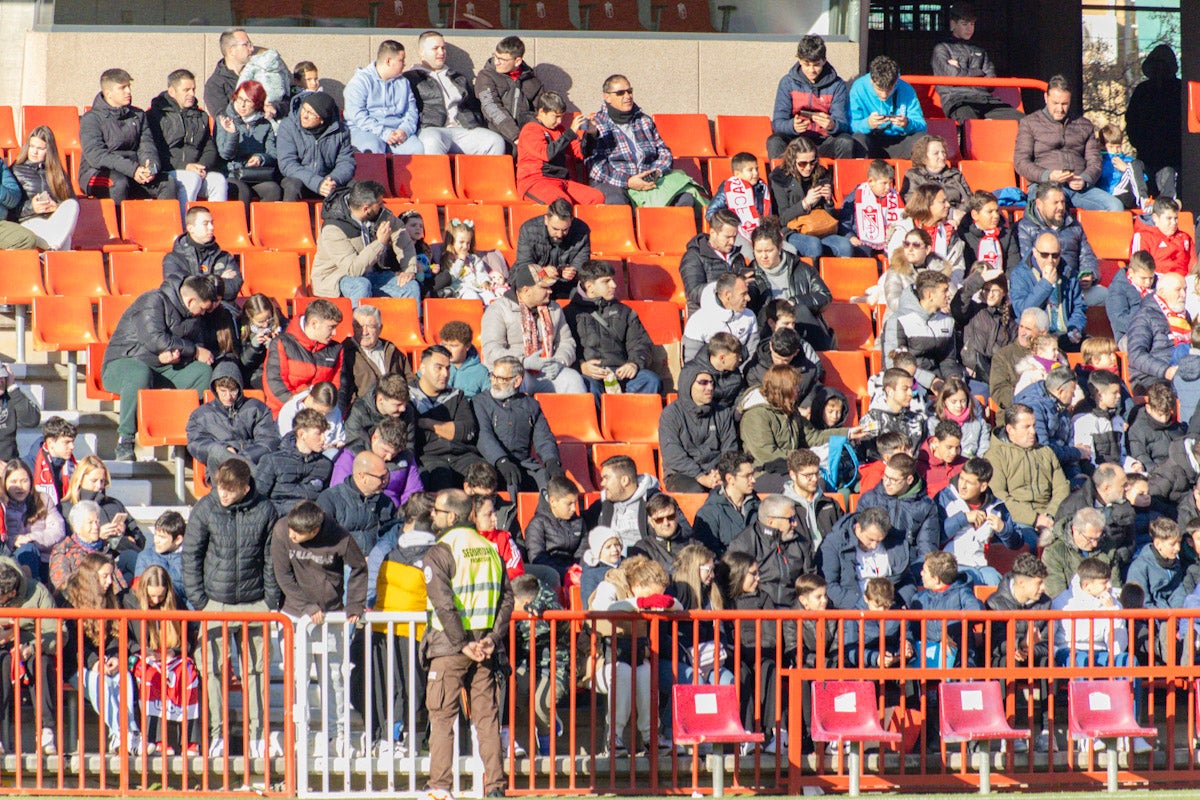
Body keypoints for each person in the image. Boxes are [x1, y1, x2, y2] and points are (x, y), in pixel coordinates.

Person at [183, 458, 279, 758]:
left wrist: (270, 600)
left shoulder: (265, 509)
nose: (222, 495)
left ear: (246, 488)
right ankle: (216, 736)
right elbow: (191, 555)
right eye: (220, 488)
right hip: (215, 601)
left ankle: (258, 737)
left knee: (257, 672)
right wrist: (200, 600)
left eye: (229, 491)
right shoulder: (205, 507)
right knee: (212, 670)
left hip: (256, 603)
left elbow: (271, 558)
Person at [422, 489, 513, 798]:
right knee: (487, 720)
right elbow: (507, 599)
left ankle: (440, 788)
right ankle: (495, 788)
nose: (431, 515)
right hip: (485, 647)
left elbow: (444, 605)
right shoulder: (490, 549)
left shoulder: (441, 550)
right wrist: (491, 638)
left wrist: (462, 644)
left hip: (450, 648)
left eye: (435, 510)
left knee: (442, 718)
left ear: (452, 516)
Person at [271, 501, 366, 757]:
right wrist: (306, 606)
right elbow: (283, 575)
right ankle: (301, 735)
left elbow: (359, 567)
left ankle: (338, 736)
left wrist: (355, 605)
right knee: (296, 676)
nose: (292, 536)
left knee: (334, 677)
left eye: (298, 534)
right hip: (294, 614)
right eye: (291, 530)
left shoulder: (340, 537)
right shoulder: (282, 530)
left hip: (331, 614)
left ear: (314, 531)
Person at [101, 276, 227, 461]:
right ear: (191, 301)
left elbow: (187, 346)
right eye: (202, 308)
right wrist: (192, 352)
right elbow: (155, 339)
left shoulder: (193, 317)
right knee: (139, 374)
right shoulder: (153, 301)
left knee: (203, 373)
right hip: (124, 362)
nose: (203, 313)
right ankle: (125, 439)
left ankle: (191, 433)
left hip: (163, 369)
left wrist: (180, 356)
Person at [584, 73, 704, 208]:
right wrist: (628, 181)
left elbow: (664, 152)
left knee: (685, 199)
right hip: (616, 181)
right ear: (607, 97)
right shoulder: (597, 125)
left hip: (648, 178)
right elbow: (595, 168)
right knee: (616, 202)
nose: (627, 96)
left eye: (629, 91)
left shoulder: (644, 121)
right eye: (620, 93)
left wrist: (656, 172)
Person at [62, 552, 142, 752]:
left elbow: (115, 633)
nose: (109, 581)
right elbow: (71, 643)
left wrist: (115, 656)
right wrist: (94, 662)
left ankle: (128, 734)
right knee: (102, 683)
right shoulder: (69, 600)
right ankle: (123, 734)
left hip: (106, 660)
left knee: (124, 678)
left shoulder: (110, 598)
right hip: (77, 664)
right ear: (91, 577)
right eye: (104, 576)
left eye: (110, 575)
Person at [1014, 75, 1122, 212]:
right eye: (1055, 103)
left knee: (1115, 206)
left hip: (1079, 188)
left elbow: (1095, 161)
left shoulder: (1084, 125)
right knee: (1054, 207)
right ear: (1046, 98)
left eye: (1064, 104)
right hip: (1044, 186)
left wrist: (1084, 179)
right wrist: (1048, 176)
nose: (1060, 109)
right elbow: (1021, 162)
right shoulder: (1029, 123)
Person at [79, 68, 177, 207]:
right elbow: (96, 156)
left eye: (129, 87)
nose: (128, 92)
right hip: (98, 173)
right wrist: (132, 169)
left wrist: (150, 168)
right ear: (109, 93)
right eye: (122, 88)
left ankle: (165, 227)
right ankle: (117, 227)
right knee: (119, 183)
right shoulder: (91, 119)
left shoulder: (138, 115)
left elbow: (147, 145)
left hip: (134, 172)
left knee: (167, 182)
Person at [481, 263, 585, 394]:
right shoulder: (498, 310)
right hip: (515, 371)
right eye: (544, 288)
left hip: (548, 370)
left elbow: (566, 342)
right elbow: (492, 351)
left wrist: (559, 361)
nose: (550, 291)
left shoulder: (554, 308)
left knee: (573, 379)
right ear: (526, 290)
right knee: (515, 383)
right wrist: (523, 362)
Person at [310, 180, 420, 303]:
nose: (383, 207)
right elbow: (353, 270)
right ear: (366, 208)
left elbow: (403, 238)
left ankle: (412, 322)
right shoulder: (333, 229)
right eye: (379, 204)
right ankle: (359, 321)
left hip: (371, 274)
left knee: (410, 286)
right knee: (361, 285)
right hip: (335, 278)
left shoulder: (380, 214)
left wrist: (409, 270)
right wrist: (379, 243)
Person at [563, 260, 659, 397]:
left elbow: (641, 344)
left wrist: (633, 364)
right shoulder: (569, 314)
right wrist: (581, 367)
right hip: (591, 375)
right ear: (590, 286)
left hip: (621, 373)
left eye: (612, 280)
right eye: (606, 281)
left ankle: (636, 418)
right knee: (585, 386)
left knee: (651, 380)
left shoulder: (625, 312)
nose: (614, 285)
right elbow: (563, 349)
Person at [404, 31, 505, 156]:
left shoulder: (458, 78)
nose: (441, 53)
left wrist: (474, 121)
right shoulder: (411, 78)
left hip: (463, 129)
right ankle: (436, 176)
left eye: (443, 48)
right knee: (431, 141)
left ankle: (484, 176)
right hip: (432, 128)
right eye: (435, 48)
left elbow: (473, 106)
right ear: (421, 52)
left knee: (495, 141)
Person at [985, 404, 1070, 550]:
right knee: (1027, 544)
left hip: (1051, 516)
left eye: (1034, 426)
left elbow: (1061, 487)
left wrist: (1049, 515)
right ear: (1010, 430)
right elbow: (998, 495)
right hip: (1020, 520)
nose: (1033, 431)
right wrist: (1034, 518)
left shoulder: (1045, 452)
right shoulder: (996, 456)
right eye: (1027, 427)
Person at [472, 356, 562, 494]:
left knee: (547, 482)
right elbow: (484, 435)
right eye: (493, 376)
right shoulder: (480, 402)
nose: (494, 382)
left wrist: (552, 462)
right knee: (508, 482)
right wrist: (501, 460)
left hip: (523, 463)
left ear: (517, 381)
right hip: (490, 463)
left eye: (501, 379)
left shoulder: (531, 405)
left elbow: (544, 438)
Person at [147, 68, 228, 214]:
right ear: (172, 91)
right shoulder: (156, 116)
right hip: (168, 172)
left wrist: (201, 166)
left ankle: (213, 229)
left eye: (193, 89)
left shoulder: (200, 116)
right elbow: (154, 150)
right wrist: (186, 166)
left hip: (196, 170)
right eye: (186, 90)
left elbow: (209, 147)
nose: (192, 94)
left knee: (218, 180)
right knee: (191, 179)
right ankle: (185, 229)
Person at [766, 33, 857, 161]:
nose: (811, 70)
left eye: (816, 65)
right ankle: (782, 180)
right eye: (806, 64)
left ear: (824, 61)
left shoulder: (837, 85)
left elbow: (843, 124)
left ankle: (839, 180)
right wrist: (792, 126)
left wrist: (832, 125)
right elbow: (778, 122)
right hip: (796, 141)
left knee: (846, 142)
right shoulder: (787, 83)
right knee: (774, 141)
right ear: (799, 60)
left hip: (824, 141)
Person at [0, 558, 58, 755]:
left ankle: (46, 730)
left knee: (40, 663)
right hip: (3, 648)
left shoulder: (38, 592)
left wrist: (32, 647)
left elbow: (57, 633)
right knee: (3, 663)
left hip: (32, 645)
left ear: (12, 593)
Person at [748, 222, 836, 349]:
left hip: (801, 328)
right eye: (758, 251)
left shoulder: (803, 269)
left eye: (769, 250)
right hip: (769, 332)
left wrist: (794, 302)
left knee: (801, 310)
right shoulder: (750, 275)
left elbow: (825, 295)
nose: (763, 256)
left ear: (779, 248)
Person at [930, 3, 1023, 121]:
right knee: (970, 124)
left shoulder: (980, 50)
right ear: (953, 24)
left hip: (985, 99)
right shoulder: (942, 49)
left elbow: (991, 83)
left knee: (1025, 121)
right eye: (964, 24)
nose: (969, 29)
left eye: (972, 24)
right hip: (958, 100)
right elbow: (952, 76)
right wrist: (979, 73)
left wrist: (961, 71)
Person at [409, 345, 485, 490]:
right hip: (428, 458)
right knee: (441, 480)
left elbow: (467, 430)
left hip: (462, 456)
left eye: (448, 368)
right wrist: (448, 429)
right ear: (422, 368)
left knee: (484, 476)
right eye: (439, 367)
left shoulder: (456, 395)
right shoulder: (408, 396)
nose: (445, 374)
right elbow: (415, 436)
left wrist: (427, 423)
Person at [937, 456, 1021, 587]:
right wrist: (963, 518)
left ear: (983, 486)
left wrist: (1003, 529)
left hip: (981, 565)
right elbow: (935, 536)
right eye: (961, 478)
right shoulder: (945, 498)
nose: (962, 486)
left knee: (996, 580)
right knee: (968, 580)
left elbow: (1016, 543)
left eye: (969, 483)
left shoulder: (996, 507)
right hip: (949, 566)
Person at [768, 137, 854, 261]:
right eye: (803, 163)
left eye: (812, 162)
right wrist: (805, 203)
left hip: (820, 227)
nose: (808, 167)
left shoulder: (821, 174)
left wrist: (829, 200)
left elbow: (830, 217)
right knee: (813, 245)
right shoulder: (780, 178)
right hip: (793, 230)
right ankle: (813, 279)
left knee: (845, 246)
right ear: (793, 161)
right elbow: (782, 218)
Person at [185, 359, 278, 472]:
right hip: (221, 469)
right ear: (215, 389)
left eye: (233, 391)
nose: (228, 397)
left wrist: (244, 456)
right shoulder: (201, 415)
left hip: (250, 465)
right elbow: (196, 444)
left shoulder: (257, 408)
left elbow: (268, 441)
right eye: (223, 391)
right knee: (217, 452)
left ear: (239, 388)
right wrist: (225, 450)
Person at [727, 494, 815, 608]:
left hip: (794, 613)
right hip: (758, 612)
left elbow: (810, 581)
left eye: (795, 518)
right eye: (791, 519)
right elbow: (735, 586)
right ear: (771, 522)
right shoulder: (744, 544)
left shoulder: (800, 543)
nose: (795, 524)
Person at [658, 368, 738, 494]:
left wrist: (721, 472)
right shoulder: (671, 414)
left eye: (712, 383)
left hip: (716, 472)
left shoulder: (723, 413)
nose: (710, 387)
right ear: (688, 385)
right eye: (703, 382)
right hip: (682, 474)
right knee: (696, 491)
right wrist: (700, 476)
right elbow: (673, 454)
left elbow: (730, 448)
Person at [820, 506, 917, 609]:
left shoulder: (894, 542)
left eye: (879, 541)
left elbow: (906, 578)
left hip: (890, 609)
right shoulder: (834, 543)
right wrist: (863, 605)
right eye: (870, 539)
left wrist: (903, 603)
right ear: (858, 528)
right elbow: (829, 585)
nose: (874, 546)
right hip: (854, 613)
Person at [262, 297, 346, 415]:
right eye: (331, 327)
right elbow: (274, 385)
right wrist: (302, 406)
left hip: (324, 415)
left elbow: (339, 388)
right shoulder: (282, 343)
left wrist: (331, 411)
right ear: (314, 324)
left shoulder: (336, 350)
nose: (334, 333)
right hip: (287, 413)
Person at [515, 91, 602, 206]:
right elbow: (546, 154)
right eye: (555, 117)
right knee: (562, 203)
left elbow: (580, 152)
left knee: (596, 198)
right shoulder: (530, 129)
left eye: (561, 117)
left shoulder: (559, 130)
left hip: (560, 181)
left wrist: (591, 135)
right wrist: (570, 132)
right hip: (535, 181)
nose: (559, 121)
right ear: (542, 112)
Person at [880, 269, 961, 390]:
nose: (949, 294)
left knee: (980, 390)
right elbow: (893, 364)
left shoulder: (947, 321)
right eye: (944, 290)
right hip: (908, 382)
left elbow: (948, 359)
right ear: (929, 295)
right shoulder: (899, 320)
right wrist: (930, 381)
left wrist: (953, 378)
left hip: (940, 379)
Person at [1016, 181, 1101, 294]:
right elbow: (1028, 262)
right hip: (1041, 287)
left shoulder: (1074, 225)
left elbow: (1086, 255)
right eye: (1055, 203)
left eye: (1062, 202)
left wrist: (1088, 273)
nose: (1061, 207)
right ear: (1039, 204)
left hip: (1074, 286)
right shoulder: (1025, 228)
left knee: (1104, 296)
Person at [1052, 463, 1136, 574]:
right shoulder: (1072, 506)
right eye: (1123, 485)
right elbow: (1063, 546)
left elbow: (1130, 541)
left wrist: (1115, 559)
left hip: (1116, 566)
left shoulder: (1123, 505)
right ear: (1106, 488)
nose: (1128, 488)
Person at [344, 40, 423, 155]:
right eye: (401, 60)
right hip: (365, 130)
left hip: (396, 130)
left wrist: (404, 131)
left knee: (416, 149)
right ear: (388, 61)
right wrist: (384, 133)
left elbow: (411, 112)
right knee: (371, 148)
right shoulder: (360, 82)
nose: (404, 64)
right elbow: (357, 115)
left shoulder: (404, 83)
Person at [1009, 232, 1085, 350]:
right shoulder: (1020, 274)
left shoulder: (1068, 273)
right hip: (1036, 336)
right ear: (1035, 253)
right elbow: (1022, 311)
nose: (1050, 260)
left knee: (1093, 348)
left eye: (1055, 255)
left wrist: (1075, 328)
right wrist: (1046, 284)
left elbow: (1079, 307)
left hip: (1065, 335)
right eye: (1044, 255)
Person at [215, 80, 283, 211]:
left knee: (273, 189)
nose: (242, 105)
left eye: (248, 101)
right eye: (240, 99)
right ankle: (243, 229)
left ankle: (263, 228)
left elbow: (273, 154)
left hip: (254, 174)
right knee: (242, 190)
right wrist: (233, 133)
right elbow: (225, 154)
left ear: (257, 104)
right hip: (231, 174)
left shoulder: (264, 124)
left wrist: (260, 158)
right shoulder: (224, 119)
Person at [858, 452, 941, 560]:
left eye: (893, 480)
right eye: (885, 476)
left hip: (907, 565)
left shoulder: (925, 506)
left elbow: (927, 549)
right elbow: (857, 535)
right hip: (871, 559)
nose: (887, 483)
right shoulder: (869, 499)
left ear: (909, 480)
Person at [1127, 272, 1199, 394]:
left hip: (1184, 370)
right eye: (1178, 290)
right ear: (1162, 292)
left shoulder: (1184, 315)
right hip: (1151, 378)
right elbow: (1135, 354)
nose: (1183, 294)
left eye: (1185, 289)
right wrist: (1165, 370)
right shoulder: (1144, 316)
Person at [10, 125, 80, 250]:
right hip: (29, 222)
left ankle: (52, 251)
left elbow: (70, 202)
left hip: (54, 221)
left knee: (71, 204)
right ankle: (54, 251)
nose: (34, 152)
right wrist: (33, 207)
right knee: (65, 238)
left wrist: (56, 207)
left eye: (40, 148)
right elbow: (10, 210)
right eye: (31, 146)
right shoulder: (16, 170)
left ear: (49, 150)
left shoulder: (58, 173)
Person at [911, 552, 985, 669]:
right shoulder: (919, 599)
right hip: (928, 654)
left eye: (924, 571)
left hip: (960, 652)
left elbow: (976, 610)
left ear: (936, 579)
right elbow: (913, 631)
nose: (921, 574)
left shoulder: (962, 592)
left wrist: (948, 634)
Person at [1125, 44, 1181, 197]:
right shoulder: (1142, 91)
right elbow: (1132, 120)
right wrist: (1139, 142)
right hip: (1147, 156)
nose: (1158, 71)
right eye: (1155, 66)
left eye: (1162, 66)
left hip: (1175, 158)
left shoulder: (1179, 90)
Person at [276, 92, 354, 202]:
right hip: (301, 179)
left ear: (322, 119)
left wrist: (332, 180)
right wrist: (316, 183)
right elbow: (287, 164)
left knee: (356, 188)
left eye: (311, 113)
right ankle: (290, 219)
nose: (304, 115)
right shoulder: (288, 126)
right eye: (304, 109)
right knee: (293, 185)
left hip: (328, 181)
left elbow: (346, 162)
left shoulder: (341, 131)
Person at [331, 416, 422, 509]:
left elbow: (413, 492)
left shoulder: (406, 457)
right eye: (385, 451)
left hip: (395, 513)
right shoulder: (351, 454)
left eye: (394, 453)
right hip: (361, 511)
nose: (389, 457)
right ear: (374, 438)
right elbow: (339, 492)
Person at [254, 408, 333, 514]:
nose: (324, 439)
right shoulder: (272, 461)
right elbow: (257, 501)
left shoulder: (326, 465)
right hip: (279, 519)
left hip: (311, 521)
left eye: (324, 433)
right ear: (301, 434)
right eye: (318, 433)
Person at [849, 55, 927, 159]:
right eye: (879, 89)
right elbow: (851, 125)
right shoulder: (858, 88)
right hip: (871, 140)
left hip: (900, 140)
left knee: (921, 140)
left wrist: (907, 123)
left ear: (896, 81)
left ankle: (916, 175)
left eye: (889, 89)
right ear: (872, 80)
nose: (884, 95)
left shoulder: (906, 89)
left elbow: (922, 126)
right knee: (858, 139)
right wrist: (867, 123)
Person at [513, 199, 591, 300]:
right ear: (546, 220)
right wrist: (542, 272)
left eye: (565, 230)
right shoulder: (529, 229)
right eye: (555, 229)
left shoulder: (581, 231)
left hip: (566, 284)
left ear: (571, 221)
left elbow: (582, 266)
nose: (559, 234)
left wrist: (571, 272)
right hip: (534, 282)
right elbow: (523, 267)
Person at [1015, 366, 1085, 477]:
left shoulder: (1062, 406)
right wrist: (1077, 453)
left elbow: (1069, 442)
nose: (1074, 396)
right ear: (1060, 391)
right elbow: (1043, 451)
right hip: (1041, 471)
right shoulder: (1033, 407)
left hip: (1061, 466)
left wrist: (1076, 475)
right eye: (1072, 392)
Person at [2, 459, 65, 581]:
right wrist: (13, 541)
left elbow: (58, 530)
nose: (19, 487)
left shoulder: (43, 499)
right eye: (14, 481)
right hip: (13, 558)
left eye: (24, 481)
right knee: (27, 550)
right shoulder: (2, 505)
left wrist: (32, 538)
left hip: (45, 558)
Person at [476, 35, 544, 148]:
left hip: (525, 137)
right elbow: (490, 106)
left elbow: (542, 112)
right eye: (495, 57)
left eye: (502, 60)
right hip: (495, 134)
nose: (496, 62)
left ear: (517, 61)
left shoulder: (532, 82)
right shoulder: (486, 76)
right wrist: (515, 136)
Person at [582, 455, 663, 550]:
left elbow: (681, 531)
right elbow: (578, 527)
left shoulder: (656, 502)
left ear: (624, 480)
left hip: (644, 560)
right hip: (610, 562)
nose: (602, 483)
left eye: (606, 478)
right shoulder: (601, 505)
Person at [162, 206, 242, 302]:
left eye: (212, 223)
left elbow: (233, 288)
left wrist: (196, 280)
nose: (211, 227)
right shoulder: (173, 259)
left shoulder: (224, 257)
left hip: (222, 309)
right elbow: (182, 290)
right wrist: (218, 280)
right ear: (191, 228)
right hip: (191, 314)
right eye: (206, 224)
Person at [884, 184, 965, 277]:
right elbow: (899, 268)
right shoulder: (902, 230)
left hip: (943, 285)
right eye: (943, 202)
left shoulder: (949, 232)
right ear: (927, 205)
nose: (948, 205)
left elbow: (957, 267)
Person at [344, 304, 413, 408]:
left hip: (397, 409)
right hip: (364, 412)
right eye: (359, 326)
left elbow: (410, 378)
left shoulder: (391, 350)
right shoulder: (346, 352)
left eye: (370, 326)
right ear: (353, 327)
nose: (364, 332)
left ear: (380, 328)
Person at [680, 209, 748, 314]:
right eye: (728, 237)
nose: (732, 242)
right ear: (713, 233)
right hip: (706, 317)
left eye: (734, 237)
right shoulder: (694, 256)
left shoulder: (738, 257)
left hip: (736, 317)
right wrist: (730, 288)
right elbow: (694, 292)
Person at [693, 451, 761, 557]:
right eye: (747, 476)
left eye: (753, 474)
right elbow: (707, 555)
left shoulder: (758, 506)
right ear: (730, 479)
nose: (753, 480)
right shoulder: (709, 513)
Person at [682, 271, 759, 363]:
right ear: (727, 295)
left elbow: (753, 353)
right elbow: (692, 363)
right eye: (743, 294)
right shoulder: (698, 321)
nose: (748, 298)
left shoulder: (749, 316)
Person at [525, 476, 586, 582]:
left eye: (575, 503)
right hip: (550, 576)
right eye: (569, 504)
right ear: (553, 501)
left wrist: (577, 571)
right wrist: (565, 572)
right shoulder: (538, 523)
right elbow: (537, 558)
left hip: (575, 574)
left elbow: (583, 553)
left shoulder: (579, 522)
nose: (573, 509)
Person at [433, 219, 508, 304]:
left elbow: (481, 272)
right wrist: (461, 260)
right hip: (460, 290)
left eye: (468, 243)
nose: (465, 246)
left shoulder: (473, 258)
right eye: (461, 242)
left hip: (478, 287)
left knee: (490, 296)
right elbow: (452, 277)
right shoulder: (448, 259)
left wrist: (485, 281)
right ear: (452, 242)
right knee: (473, 297)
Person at [707, 152, 771, 251]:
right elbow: (711, 213)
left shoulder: (762, 188)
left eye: (756, 169)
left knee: (787, 249)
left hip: (761, 231)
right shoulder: (727, 189)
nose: (755, 173)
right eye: (750, 170)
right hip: (737, 232)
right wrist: (728, 224)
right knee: (750, 253)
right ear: (737, 174)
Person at [839, 159, 903, 258]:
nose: (888, 187)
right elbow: (844, 220)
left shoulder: (894, 197)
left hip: (888, 240)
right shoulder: (856, 195)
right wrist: (850, 236)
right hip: (862, 239)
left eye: (890, 183)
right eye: (884, 183)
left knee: (898, 253)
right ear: (871, 181)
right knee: (863, 251)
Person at [859, 367, 928, 457]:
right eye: (905, 389)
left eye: (911, 388)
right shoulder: (872, 419)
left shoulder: (918, 420)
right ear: (890, 391)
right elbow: (867, 454)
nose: (910, 393)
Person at [990, 308, 1050, 411]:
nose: (1022, 332)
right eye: (1021, 326)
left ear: (1042, 332)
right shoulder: (1003, 356)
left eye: (1028, 329)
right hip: (1015, 415)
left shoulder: (1054, 354)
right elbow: (998, 391)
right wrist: (1028, 399)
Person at [783, 448, 844, 547]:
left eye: (816, 473)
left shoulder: (830, 503)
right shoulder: (782, 508)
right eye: (808, 475)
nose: (815, 479)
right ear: (793, 475)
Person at [901, 135, 973, 217]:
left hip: (960, 218)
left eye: (943, 152)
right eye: (936, 154)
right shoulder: (913, 176)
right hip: (930, 219)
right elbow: (914, 204)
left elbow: (968, 200)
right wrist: (950, 214)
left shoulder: (955, 174)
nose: (942, 157)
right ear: (923, 157)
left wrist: (960, 214)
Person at [1127, 518, 1187, 609]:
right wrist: (1163, 618)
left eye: (1179, 542)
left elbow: (1177, 591)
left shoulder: (1175, 563)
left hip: (1173, 615)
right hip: (1152, 619)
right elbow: (1142, 602)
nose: (1178, 548)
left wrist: (1179, 610)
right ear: (1158, 544)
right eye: (1172, 544)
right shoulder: (1139, 567)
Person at [629, 494, 696, 573]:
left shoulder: (693, 544)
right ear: (651, 522)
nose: (666, 523)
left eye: (670, 517)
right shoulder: (642, 549)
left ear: (677, 516)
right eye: (659, 520)